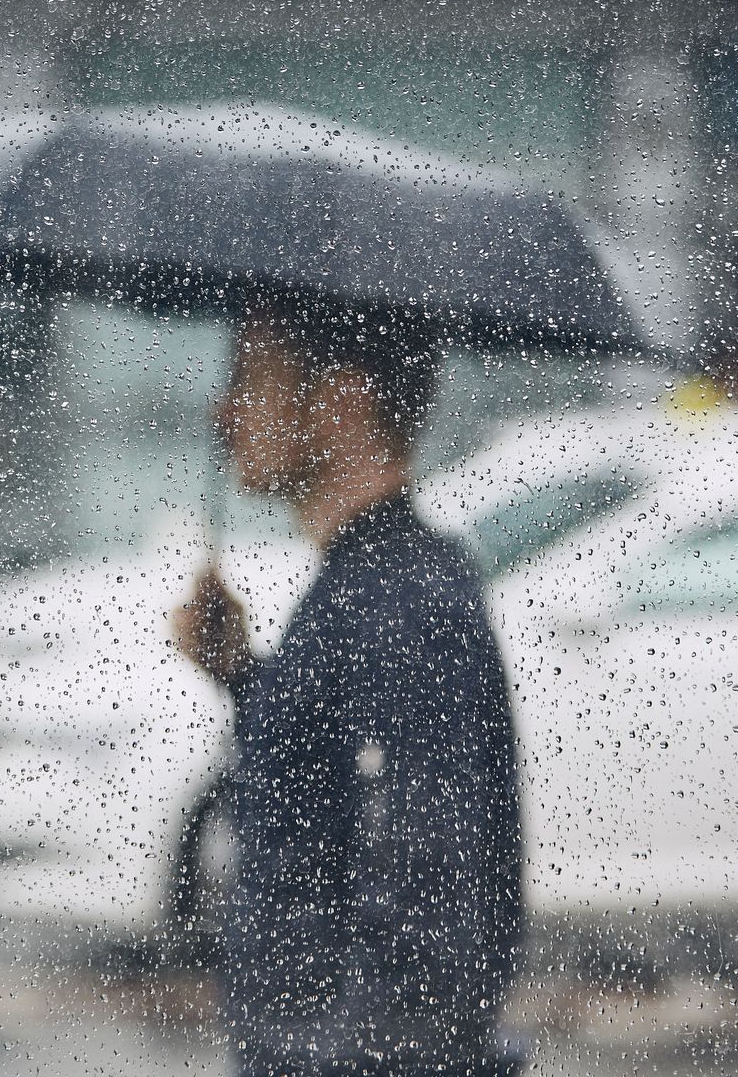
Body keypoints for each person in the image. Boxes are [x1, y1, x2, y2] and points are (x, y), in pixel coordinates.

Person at [174, 299, 523, 1077]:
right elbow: (328, 800)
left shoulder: (403, 601)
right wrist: (240, 673)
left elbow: (433, 901)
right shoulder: (367, 584)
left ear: (341, 399)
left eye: (251, 377)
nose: (222, 411)